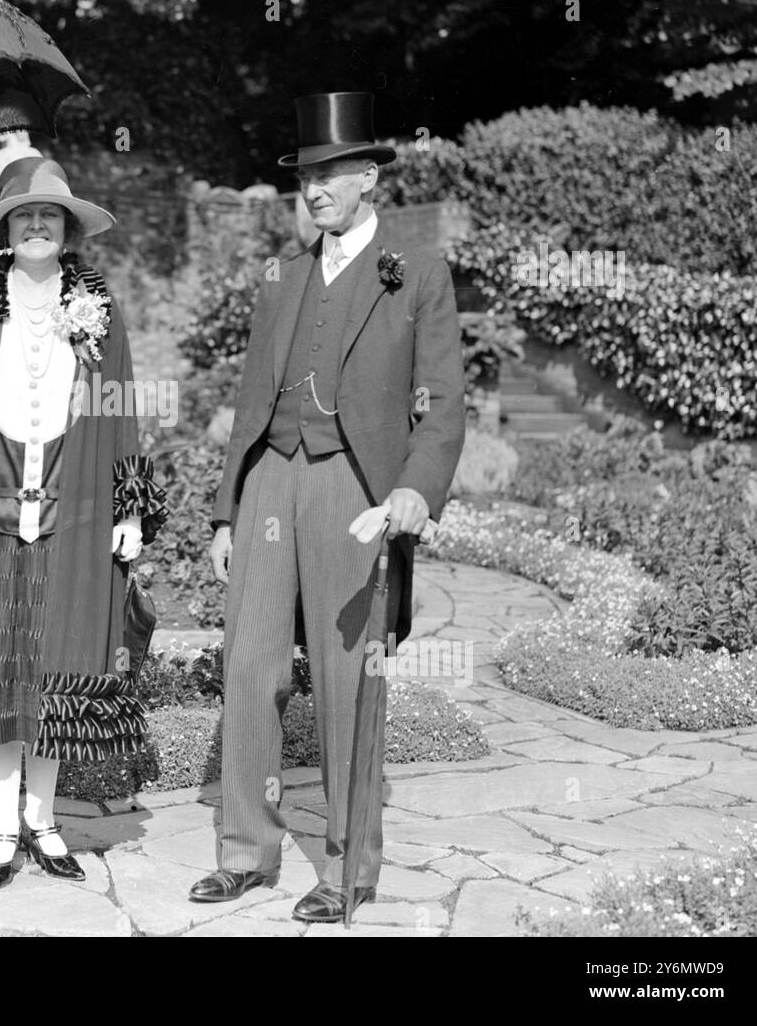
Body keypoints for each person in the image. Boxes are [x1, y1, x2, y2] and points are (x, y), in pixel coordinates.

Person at [191, 92, 466, 922]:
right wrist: (226, 512)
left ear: (369, 178)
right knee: (249, 666)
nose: (314, 189)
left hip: (358, 489)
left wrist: (415, 489)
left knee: (350, 680)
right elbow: (248, 399)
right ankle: (245, 851)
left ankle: (348, 870)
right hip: (274, 472)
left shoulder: (417, 272)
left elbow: (444, 402)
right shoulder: (283, 274)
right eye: (306, 175)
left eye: (331, 173)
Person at [0, 155, 168, 894]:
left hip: (72, 502)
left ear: (68, 228)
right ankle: (3, 828)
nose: (39, 225)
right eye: (25, 216)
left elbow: (122, 409)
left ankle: (45, 822)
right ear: (7, 231)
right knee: (1, 665)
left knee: (55, 667)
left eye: (51, 215)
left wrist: (130, 505)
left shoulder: (99, 310)